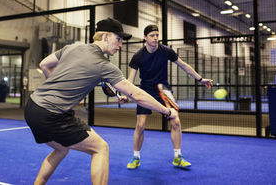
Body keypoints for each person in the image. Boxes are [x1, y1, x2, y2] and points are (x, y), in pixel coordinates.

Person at [24, 18, 179, 185]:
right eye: (118, 39)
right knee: (100, 148)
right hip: (52, 115)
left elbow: (44, 64)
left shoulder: (72, 47)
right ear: (106, 36)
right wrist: (167, 111)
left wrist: (61, 88)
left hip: (32, 108)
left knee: (61, 148)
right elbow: (137, 95)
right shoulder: (104, 65)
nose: (120, 45)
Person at [126, 24, 213, 170]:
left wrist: (200, 79)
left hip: (164, 89)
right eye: (152, 35)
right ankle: (136, 157)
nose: (155, 38)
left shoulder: (166, 51)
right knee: (140, 125)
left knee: (176, 121)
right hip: (146, 91)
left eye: (157, 35)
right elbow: (130, 80)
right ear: (145, 38)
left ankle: (178, 157)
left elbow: (184, 65)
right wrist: (126, 94)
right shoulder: (138, 56)